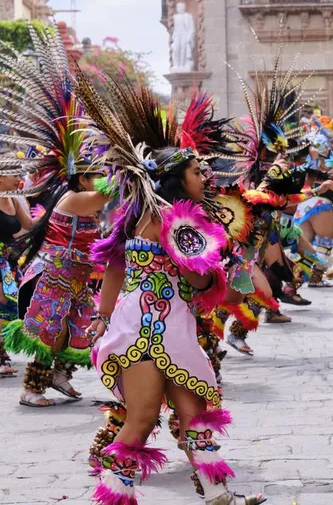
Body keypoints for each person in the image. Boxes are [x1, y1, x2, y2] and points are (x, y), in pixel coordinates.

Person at [90, 147, 265, 505]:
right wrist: (216, 270)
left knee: (192, 416)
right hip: (155, 329)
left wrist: (104, 318)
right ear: (176, 179)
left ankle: (218, 494)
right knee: (143, 420)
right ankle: (112, 497)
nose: (205, 178)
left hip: (151, 324)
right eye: (197, 172)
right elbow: (198, 283)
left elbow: (115, 267)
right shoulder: (175, 220)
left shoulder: (138, 215)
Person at [4, 167, 107, 406]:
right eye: (99, 175)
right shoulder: (75, 198)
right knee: (51, 332)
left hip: (75, 279)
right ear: (82, 179)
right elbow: (112, 191)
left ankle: (59, 376)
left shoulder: (83, 201)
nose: (104, 179)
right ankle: (31, 388)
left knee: (80, 328)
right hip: (52, 278)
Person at [0, 170, 33, 377]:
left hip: (9, 262)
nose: (19, 178)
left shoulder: (13, 197)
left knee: (9, 307)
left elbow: (28, 226)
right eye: (14, 174)